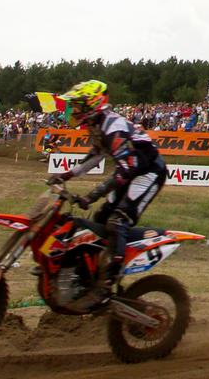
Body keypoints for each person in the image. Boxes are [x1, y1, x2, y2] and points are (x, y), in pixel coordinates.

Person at [48, 80, 166, 294]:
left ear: (92, 104)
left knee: (118, 220)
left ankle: (113, 272)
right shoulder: (97, 124)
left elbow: (125, 170)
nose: (73, 110)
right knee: (100, 219)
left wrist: (91, 197)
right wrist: (65, 176)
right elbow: (95, 156)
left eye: (77, 105)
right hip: (131, 171)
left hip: (149, 172)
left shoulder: (113, 127)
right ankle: (91, 273)